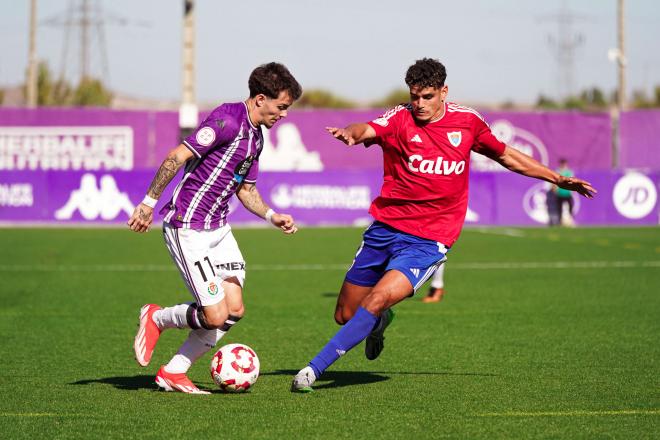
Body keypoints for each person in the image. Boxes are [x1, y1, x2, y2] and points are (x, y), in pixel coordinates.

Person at [291, 58, 596, 392]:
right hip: (384, 229)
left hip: (428, 241)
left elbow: (507, 155)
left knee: (376, 299)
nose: (419, 104)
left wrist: (556, 178)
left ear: (444, 92)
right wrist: (350, 133)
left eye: (428, 97)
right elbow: (368, 128)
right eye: (415, 96)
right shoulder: (399, 117)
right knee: (346, 315)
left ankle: (312, 370)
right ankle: (379, 324)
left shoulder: (467, 122)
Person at [128, 62, 302, 394]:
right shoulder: (227, 120)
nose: (284, 114)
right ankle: (157, 318)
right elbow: (176, 156)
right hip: (188, 227)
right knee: (214, 314)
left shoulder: (256, 139)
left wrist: (271, 216)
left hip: (219, 230)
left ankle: (174, 372)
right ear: (261, 98)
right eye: (281, 106)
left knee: (234, 309)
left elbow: (246, 190)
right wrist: (148, 203)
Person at [555, 158, 575, 226]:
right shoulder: (557, 171)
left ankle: (571, 220)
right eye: (562, 163)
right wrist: (555, 189)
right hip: (560, 193)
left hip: (567, 193)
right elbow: (554, 182)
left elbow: (573, 181)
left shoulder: (569, 172)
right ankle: (560, 222)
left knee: (570, 207)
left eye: (564, 163)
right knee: (559, 208)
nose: (563, 165)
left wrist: (573, 190)